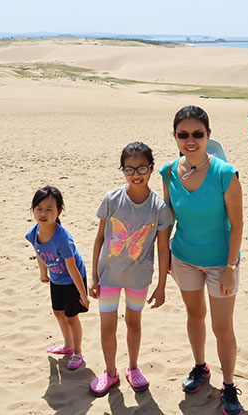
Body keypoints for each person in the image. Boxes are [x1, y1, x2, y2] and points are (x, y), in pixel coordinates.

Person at [160, 105, 244, 415]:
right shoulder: (168, 172)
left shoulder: (225, 173)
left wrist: (231, 268)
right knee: (194, 316)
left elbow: (237, 225)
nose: (190, 140)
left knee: (223, 327)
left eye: (198, 134)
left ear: (208, 135)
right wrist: (166, 258)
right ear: (175, 136)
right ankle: (200, 367)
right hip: (183, 259)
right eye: (183, 135)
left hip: (221, 263)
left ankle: (229, 384)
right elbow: (167, 219)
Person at [89, 142, 173, 397]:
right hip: (108, 276)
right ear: (122, 170)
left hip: (139, 279)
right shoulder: (112, 198)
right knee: (107, 327)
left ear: (151, 169)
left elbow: (162, 248)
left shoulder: (159, 207)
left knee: (134, 324)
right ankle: (110, 371)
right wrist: (93, 276)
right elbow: (100, 238)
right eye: (129, 169)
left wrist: (161, 285)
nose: (136, 174)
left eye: (142, 168)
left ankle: (133, 368)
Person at [26, 186, 90, 370]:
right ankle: (67, 346)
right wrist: (43, 273)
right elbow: (38, 251)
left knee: (71, 317)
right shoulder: (34, 232)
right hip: (56, 278)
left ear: (58, 212)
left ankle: (77, 351)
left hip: (72, 280)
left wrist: (83, 294)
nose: (43, 213)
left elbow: (73, 269)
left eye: (49, 209)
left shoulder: (63, 240)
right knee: (58, 312)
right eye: (38, 208)